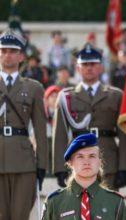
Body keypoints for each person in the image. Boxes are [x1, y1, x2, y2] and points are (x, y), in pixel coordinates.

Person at [52, 43, 126, 190]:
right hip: (77, 160)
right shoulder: (67, 97)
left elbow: (124, 135)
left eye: (93, 64)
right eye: (85, 64)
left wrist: (125, 167)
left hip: (108, 161)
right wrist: (60, 168)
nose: (89, 68)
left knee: (107, 209)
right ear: (77, 68)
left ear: (101, 67)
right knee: (79, 210)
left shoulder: (116, 95)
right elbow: (60, 136)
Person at [0, 29, 48, 220]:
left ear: (21, 56)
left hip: (24, 162)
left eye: (12, 51)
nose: (6, 55)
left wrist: (42, 165)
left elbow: (40, 131)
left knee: (20, 216)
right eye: (2, 50)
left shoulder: (33, 87)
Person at [42, 133, 126, 219]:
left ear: (100, 162)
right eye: (80, 157)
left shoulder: (116, 202)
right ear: (70, 163)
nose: (86, 162)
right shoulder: (54, 202)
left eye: (92, 156)